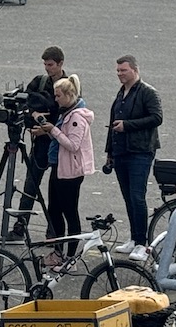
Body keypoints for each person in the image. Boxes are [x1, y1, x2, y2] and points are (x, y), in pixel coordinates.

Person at [104, 55, 163, 262]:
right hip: (121, 152)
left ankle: (142, 243)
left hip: (140, 152)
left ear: (135, 70)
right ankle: (133, 237)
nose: (119, 74)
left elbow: (157, 118)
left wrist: (127, 126)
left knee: (137, 197)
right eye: (118, 70)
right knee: (128, 197)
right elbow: (113, 122)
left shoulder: (148, 92)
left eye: (123, 70)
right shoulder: (121, 93)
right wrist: (109, 152)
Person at [11, 45, 71, 239]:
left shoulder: (69, 85)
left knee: (57, 192)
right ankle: (20, 228)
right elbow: (25, 104)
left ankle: (54, 232)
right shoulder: (40, 81)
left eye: (50, 64)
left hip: (59, 143)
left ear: (60, 63)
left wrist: (46, 128)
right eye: (45, 64)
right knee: (30, 186)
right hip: (40, 143)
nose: (47, 68)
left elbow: (69, 115)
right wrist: (33, 119)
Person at [31, 78, 94, 261]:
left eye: (58, 96)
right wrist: (47, 130)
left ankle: (71, 257)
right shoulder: (66, 113)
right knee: (54, 211)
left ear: (69, 95)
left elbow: (73, 145)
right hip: (59, 167)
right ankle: (58, 252)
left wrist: (53, 130)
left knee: (70, 213)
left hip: (70, 172)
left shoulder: (77, 118)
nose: (56, 99)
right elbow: (61, 139)